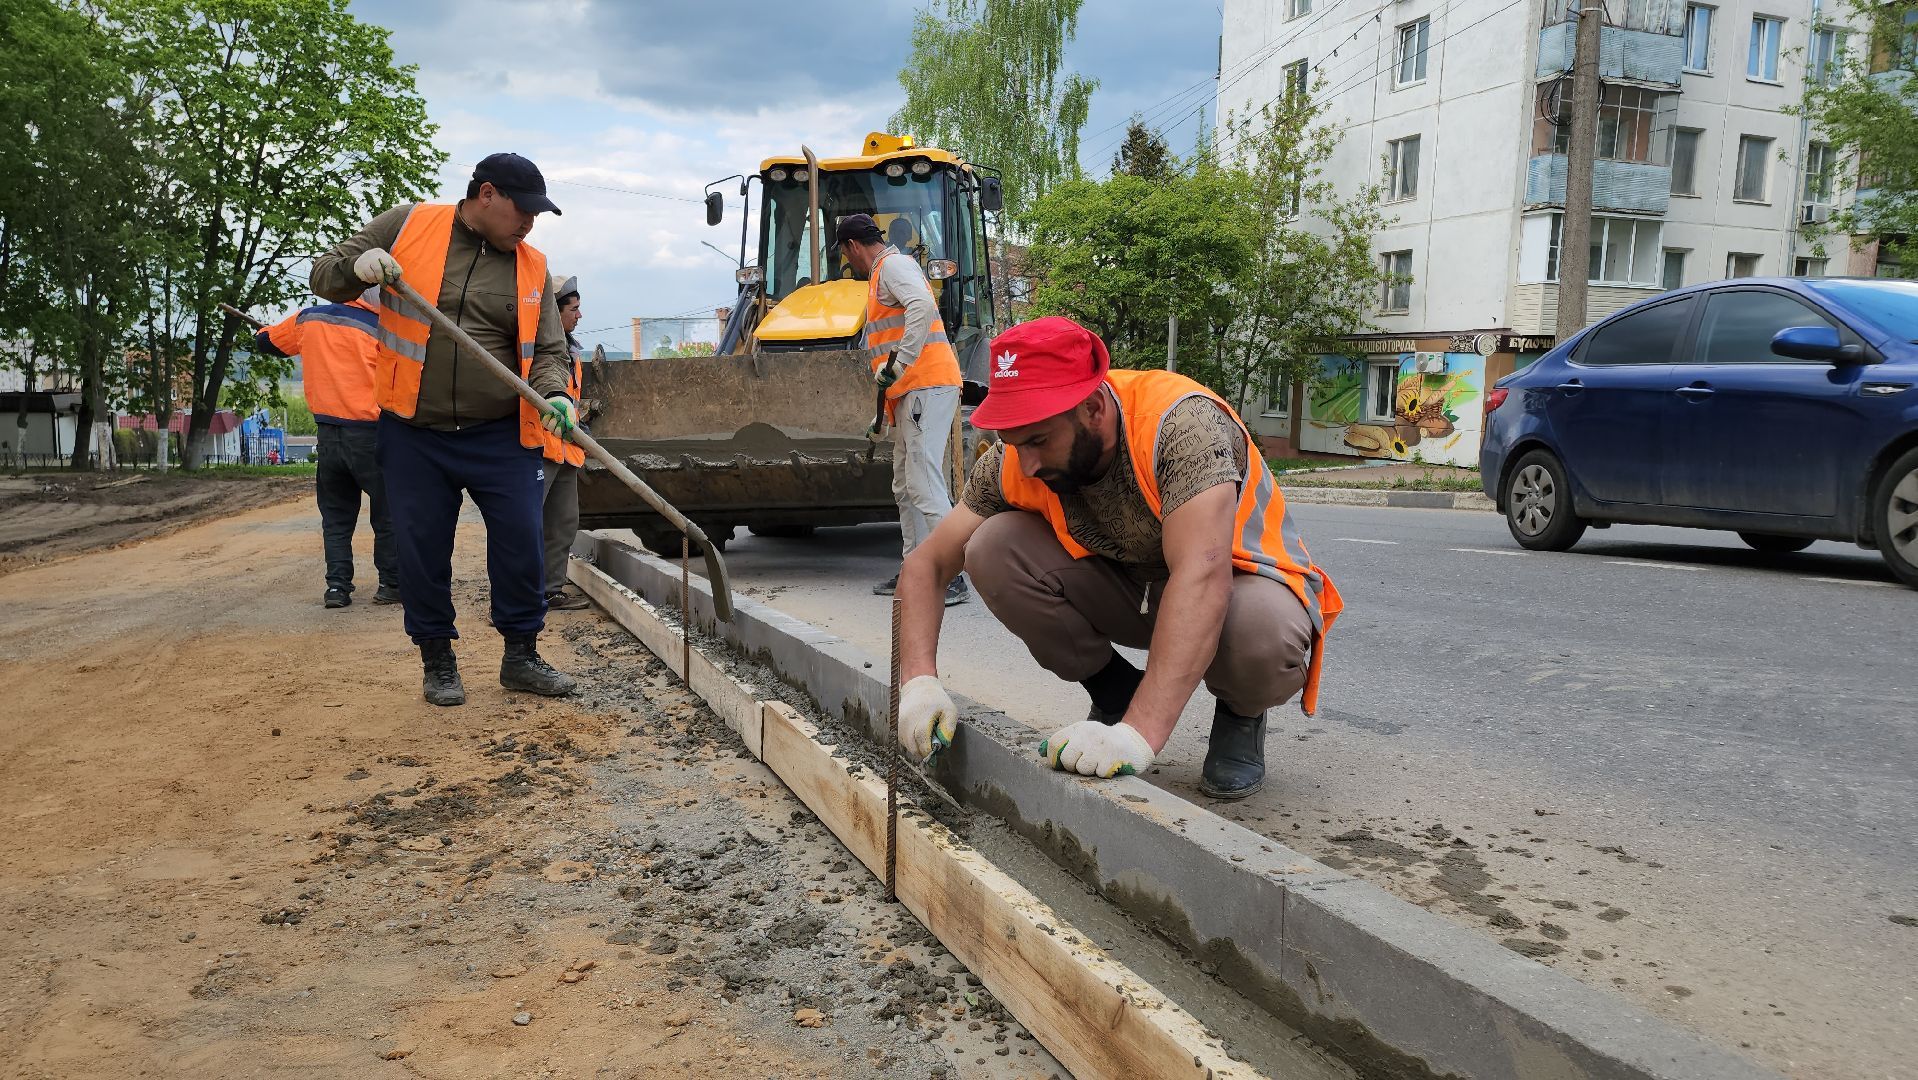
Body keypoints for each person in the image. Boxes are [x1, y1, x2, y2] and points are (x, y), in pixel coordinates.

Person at [890, 317, 1341, 800]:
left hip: (1232, 594)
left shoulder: (1183, 427)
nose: (1027, 464)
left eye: (1040, 440)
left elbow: (1203, 578)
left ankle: (1240, 713)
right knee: (991, 547)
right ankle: (1114, 694)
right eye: (1017, 443)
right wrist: (918, 683)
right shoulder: (1014, 456)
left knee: (1261, 633)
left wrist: (1135, 738)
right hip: (1135, 594)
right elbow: (927, 564)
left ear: (1093, 408)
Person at [309, 152, 579, 707]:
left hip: (500, 434)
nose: (528, 222)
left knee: (522, 544)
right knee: (422, 550)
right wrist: (358, 269)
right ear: (485, 194)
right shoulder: (407, 224)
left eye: (536, 214)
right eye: (520, 209)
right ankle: (437, 659)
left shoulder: (533, 266)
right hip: (414, 432)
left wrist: (554, 393)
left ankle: (521, 656)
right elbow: (324, 276)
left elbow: (549, 350)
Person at [833, 212, 968, 605]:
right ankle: (916, 569)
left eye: (845, 254)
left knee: (924, 482)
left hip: (926, 383)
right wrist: (879, 417)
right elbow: (886, 354)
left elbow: (923, 307)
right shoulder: (883, 273)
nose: (848, 262)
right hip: (912, 391)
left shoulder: (892, 265)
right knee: (906, 485)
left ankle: (952, 573)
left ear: (852, 246)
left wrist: (900, 363)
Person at [256, 289, 400, 609]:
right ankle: (391, 584)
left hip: (328, 437)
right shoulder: (384, 330)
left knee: (335, 518)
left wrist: (264, 330)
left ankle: (337, 587)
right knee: (389, 514)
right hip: (372, 437)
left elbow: (267, 342)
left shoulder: (309, 318)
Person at [541, 273, 591, 611]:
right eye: (573, 308)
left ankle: (549, 590)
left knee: (563, 522)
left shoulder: (571, 350)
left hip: (566, 449)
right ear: (552, 312)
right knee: (524, 525)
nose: (579, 315)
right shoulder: (536, 348)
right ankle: (512, 597)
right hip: (537, 447)